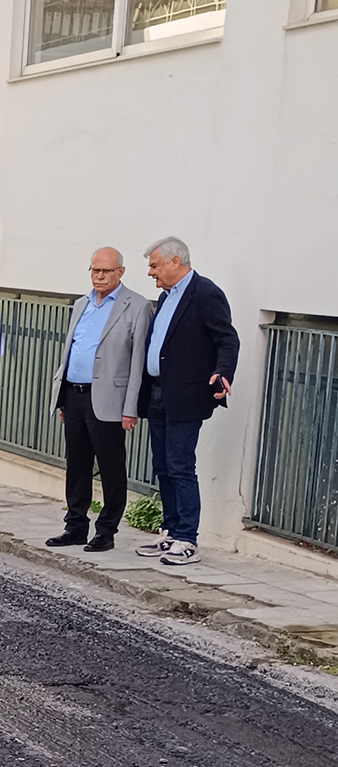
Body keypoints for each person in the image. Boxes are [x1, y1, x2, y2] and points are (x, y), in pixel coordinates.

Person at [136, 237, 237, 567]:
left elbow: (226, 337)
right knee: (163, 467)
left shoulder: (205, 293)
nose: (151, 272)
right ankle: (170, 530)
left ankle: (187, 539)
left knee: (180, 466)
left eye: (154, 265)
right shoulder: (166, 297)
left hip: (186, 395)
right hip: (158, 392)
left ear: (174, 262)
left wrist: (223, 372)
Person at [43, 247, 153, 552]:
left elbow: (138, 362)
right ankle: (75, 525)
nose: (99, 276)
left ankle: (106, 530)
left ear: (121, 271)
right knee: (76, 465)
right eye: (94, 270)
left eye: (105, 271)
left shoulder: (137, 307)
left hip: (109, 400)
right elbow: (71, 350)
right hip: (75, 395)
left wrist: (130, 408)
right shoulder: (82, 304)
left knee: (110, 467)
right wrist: (62, 397)